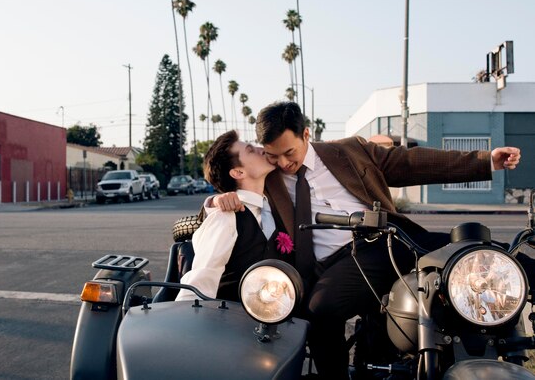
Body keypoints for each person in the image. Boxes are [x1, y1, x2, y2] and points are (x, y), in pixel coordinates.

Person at [212, 101, 523, 379]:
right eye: (272, 155)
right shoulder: (269, 178)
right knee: (320, 308)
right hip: (339, 262)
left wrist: (485, 161)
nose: (282, 163)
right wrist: (216, 201)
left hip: (392, 239)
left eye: (289, 153)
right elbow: (236, 186)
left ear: (306, 135)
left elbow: (411, 162)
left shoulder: (349, 151)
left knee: (485, 255)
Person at [175, 129, 292, 302]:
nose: (262, 150)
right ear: (238, 172)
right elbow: (202, 279)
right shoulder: (226, 217)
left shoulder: (274, 209)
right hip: (231, 320)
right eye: (251, 151)